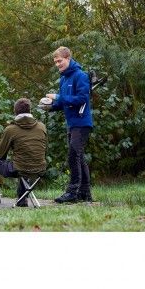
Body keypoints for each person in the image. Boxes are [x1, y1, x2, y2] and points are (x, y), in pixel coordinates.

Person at [0, 98, 47, 208]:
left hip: (19, 169)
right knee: (25, 161)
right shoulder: (42, 127)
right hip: (40, 168)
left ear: (15, 111)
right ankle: (22, 200)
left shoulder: (11, 129)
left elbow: (1, 156)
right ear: (30, 111)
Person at [45, 46, 93, 203]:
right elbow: (64, 103)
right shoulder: (64, 78)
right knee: (79, 158)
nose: (57, 64)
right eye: (55, 62)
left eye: (59, 61)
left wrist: (58, 96)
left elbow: (82, 99)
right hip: (71, 124)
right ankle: (85, 193)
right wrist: (51, 106)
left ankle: (72, 192)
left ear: (68, 58)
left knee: (73, 156)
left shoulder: (80, 76)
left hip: (81, 122)